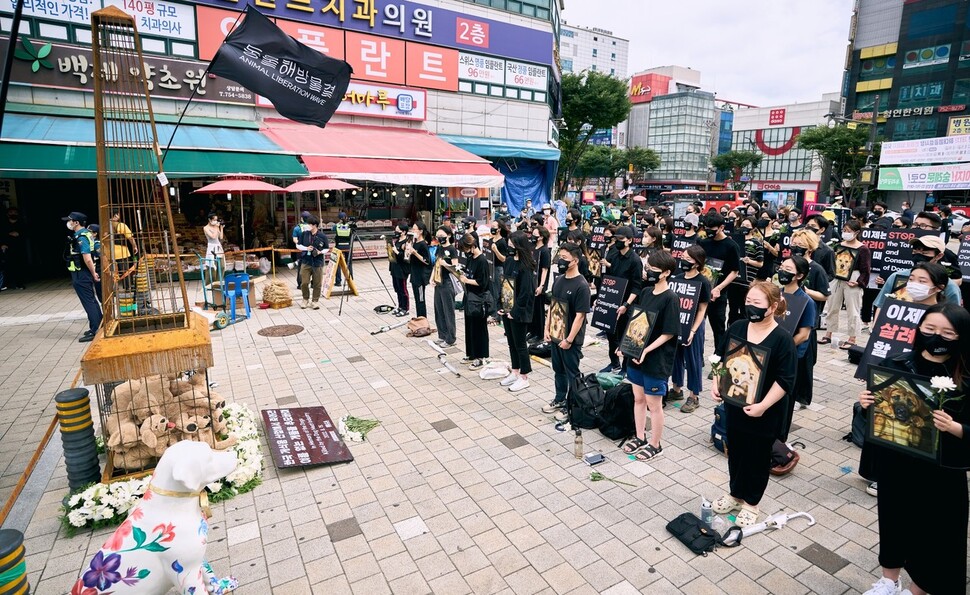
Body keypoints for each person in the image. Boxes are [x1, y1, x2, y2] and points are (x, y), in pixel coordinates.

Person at [857, 303, 970, 595]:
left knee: (935, 535)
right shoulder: (897, 363)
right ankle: (888, 581)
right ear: (918, 330)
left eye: (948, 333)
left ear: (961, 336)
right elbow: (878, 416)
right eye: (930, 329)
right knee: (894, 521)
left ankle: (918, 588)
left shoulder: (965, 375)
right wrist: (867, 405)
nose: (937, 338)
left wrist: (955, 427)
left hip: (941, 471)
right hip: (897, 463)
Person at [710, 281, 797, 527]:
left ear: (773, 307)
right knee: (735, 452)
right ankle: (735, 495)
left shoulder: (782, 340)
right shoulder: (737, 327)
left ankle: (751, 504)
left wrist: (763, 405)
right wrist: (716, 382)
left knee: (757, 457)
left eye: (757, 303)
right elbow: (719, 356)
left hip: (764, 412)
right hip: (735, 405)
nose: (750, 307)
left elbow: (785, 380)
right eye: (748, 301)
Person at [618, 251, 679, 460]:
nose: (649, 272)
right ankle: (639, 436)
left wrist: (647, 350)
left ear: (666, 273)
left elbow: (669, 332)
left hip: (656, 359)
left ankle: (655, 443)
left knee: (654, 405)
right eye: (648, 268)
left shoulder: (671, 298)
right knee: (638, 398)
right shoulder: (645, 292)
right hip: (635, 356)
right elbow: (636, 322)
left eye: (654, 270)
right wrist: (624, 345)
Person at [541, 243, 591, 417]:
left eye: (564, 258)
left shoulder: (581, 286)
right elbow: (552, 306)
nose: (560, 261)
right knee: (558, 370)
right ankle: (560, 398)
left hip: (570, 340)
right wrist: (547, 329)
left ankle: (573, 406)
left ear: (575, 261)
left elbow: (580, 316)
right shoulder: (559, 280)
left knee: (572, 373)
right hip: (555, 336)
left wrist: (569, 339)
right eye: (559, 257)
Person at [871, 236, 961, 322]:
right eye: (915, 251)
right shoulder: (896, 276)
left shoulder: (948, 285)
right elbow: (881, 305)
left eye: (925, 253)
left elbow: (953, 317)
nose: (919, 256)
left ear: (939, 256)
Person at [777, 256, 818, 436]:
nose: (782, 272)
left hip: (791, 356)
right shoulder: (775, 294)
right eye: (782, 267)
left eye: (788, 269)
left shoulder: (806, 302)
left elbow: (804, 335)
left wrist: (784, 348)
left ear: (799, 276)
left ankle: (781, 437)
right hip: (771, 353)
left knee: (785, 399)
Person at [671, 245, 711, 414]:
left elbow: (702, 309)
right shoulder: (677, 278)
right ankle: (676, 389)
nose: (683, 261)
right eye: (683, 257)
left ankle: (694, 396)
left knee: (693, 361)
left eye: (688, 259)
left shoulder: (703, 282)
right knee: (675, 358)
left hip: (694, 326)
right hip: (677, 324)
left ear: (697, 263)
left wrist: (693, 331)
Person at [820, 220, 871, 349]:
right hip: (837, 277)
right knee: (832, 306)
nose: (845, 233)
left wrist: (859, 282)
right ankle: (828, 333)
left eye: (849, 231)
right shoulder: (838, 245)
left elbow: (866, 269)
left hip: (853, 277)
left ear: (857, 232)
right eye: (844, 230)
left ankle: (852, 337)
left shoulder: (863, 248)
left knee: (853, 309)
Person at [602, 226, 644, 374]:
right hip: (612, 300)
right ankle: (614, 363)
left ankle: (626, 367)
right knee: (611, 334)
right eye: (616, 239)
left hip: (628, 303)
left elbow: (637, 286)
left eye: (621, 240)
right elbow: (609, 280)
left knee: (626, 336)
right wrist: (602, 298)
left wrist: (627, 304)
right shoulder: (614, 256)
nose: (617, 242)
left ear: (630, 241)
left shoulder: (635, 260)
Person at [498, 231, 537, 392]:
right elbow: (505, 284)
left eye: (513, 245)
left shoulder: (525, 266)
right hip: (507, 308)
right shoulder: (508, 261)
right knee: (511, 342)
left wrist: (515, 311)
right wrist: (502, 306)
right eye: (509, 244)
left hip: (519, 312)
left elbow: (526, 292)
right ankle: (515, 371)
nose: (510, 247)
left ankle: (524, 376)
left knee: (520, 344)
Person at [699, 213, 742, 356]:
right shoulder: (703, 243)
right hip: (701, 292)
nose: (709, 231)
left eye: (712, 229)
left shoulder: (731, 246)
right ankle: (697, 357)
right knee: (697, 326)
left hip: (718, 295)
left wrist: (719, 288)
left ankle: (718, 359)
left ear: (722, 227)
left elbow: (735, 272)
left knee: (718, 329)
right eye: (706, 228)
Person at [64, 212, 102, 342]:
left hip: (82, 273)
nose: (68, 223)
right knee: (92, 300)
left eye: (70, 221)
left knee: (88, 301)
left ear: (76, 222)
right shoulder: (85, 234)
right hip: (82, 273)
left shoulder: (82, 236)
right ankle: (99, 325)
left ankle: (95, 329)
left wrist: (93, 273)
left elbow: (87, 258)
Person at [457, 234, 491, 370]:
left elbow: (482, 282)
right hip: (469, 296)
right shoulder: (471, 258)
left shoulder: (482, 260)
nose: (464, 252)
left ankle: (480, 357)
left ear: (471, 246)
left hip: (479, 299)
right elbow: (468, 272)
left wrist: (466, 280)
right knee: (469, 326)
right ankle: (471, 353)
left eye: (465, 249)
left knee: (479, 328)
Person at [431, 226, 458, 348]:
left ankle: (450, 338)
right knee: (439, 310)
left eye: (441, 236)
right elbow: (436, 264)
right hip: (438, 282)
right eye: (437, 236)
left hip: (447, 283)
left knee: (448, 311)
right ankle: (442, 335)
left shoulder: (452, 249)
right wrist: (431, 278)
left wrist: (445, 264)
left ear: (448, 236)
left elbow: (455, 269)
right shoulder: (439, 248)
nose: (439, 238)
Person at [296, 215, 329, 310]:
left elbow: (326, 248)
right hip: (306, 261)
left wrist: (320, 252)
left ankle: (315, 301)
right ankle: (305, 299)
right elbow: (298, 246)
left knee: (317, 283)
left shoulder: (322, 236)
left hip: (317, 262)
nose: (307, 226)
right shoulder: (304, 234)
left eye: (309, 224)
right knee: (304, 282)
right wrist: (306, 248)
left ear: (314, 225)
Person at [529, 227, 552, 342]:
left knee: (539, 310)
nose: (532, 236)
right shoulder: (533, 248)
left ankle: (539, 333)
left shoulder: (545, 251)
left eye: (535, 234)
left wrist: (541, 285)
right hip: (531, 282)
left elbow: (545, 270)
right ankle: (532, 331)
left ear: (541, 237)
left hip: (539, 284)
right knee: (532, 309)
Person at [107, 209, 138, 290]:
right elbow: (130, 238)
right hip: (121, 252)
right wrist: (135, 246)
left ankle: (112, 289)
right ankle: (128, 287)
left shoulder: (104, 226)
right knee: (125, 270)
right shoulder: (121, 225)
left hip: (108, 253)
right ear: (116, 215)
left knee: (111, 272)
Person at [407, 222, 432, 318]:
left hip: (420, 276)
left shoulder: (423, 244)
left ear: (420, 231)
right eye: (412, 229)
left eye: (414, 229)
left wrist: (415, 253)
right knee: (417, 299)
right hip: (414, 274)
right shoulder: (414, 242)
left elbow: (427, 261)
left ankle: (423, 320)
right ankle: (419, 319)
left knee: (421, 299)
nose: (413, 231)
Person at [487, 220, 510, 325]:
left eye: (494, 227)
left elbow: (504, 259)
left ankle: (498, 315)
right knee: (491, 292)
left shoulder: (502, 242)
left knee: (497, 292)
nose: (492, 228)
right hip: (490, 268)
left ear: (499, 229)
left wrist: (496, 251)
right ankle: (493, 312)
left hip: (498, 269)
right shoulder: (491, 240)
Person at [0, 207, 26, 290]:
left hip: (19, 247)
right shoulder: (3, 224)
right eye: (11, 212)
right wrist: (2, 244)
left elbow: (27, 233)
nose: (13, 214)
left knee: (19, 265)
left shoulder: (21, 224)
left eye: (15, 212)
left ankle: (19, 283)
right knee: (8, 266)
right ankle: (7, 284)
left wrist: (18, 234)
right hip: (7, 248)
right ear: (7, 214)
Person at [388, 224, 411, 317]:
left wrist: (396, 251)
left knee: (403, 289)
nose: (396, 232)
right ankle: (400, 306)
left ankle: (405, 308)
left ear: (404, 232)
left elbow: (406, 258)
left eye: (398, 231)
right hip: (394, 268)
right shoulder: (397, 240)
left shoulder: (406, 243)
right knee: (397, 289)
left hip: (402, 270)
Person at [805, 215, 835, 281]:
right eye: (808, 225)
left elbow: (831, 274)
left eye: (813, 226)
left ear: (822, 229)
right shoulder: (801, 246)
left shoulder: (828, 251)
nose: (809, 228)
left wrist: (818, 281)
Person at [291, 211, 311, 290]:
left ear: (302, 219)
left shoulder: (297, 228)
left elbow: (294, 239)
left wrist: (300, 245)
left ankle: (300, 284)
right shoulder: (312, 227)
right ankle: (312, 283)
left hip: (300, 251)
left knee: (300, 267)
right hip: (310, 249)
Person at [333, 212, 353, 286]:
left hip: (339, 247)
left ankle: (338, 282)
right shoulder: (350, 226)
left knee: (338, 264)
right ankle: (351, 280)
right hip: (348, 247)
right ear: (346, 217)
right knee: (349, 264)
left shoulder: (336, 226)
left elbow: (332, 229)